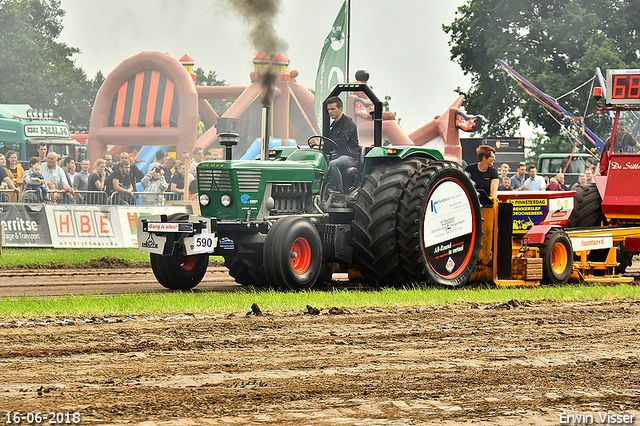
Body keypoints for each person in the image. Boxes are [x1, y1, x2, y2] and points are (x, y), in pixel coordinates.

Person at [309, 96, 360, 198]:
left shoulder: (348, 124)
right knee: (317, 163)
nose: (330, 112)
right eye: (328, 109)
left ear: (340, 109)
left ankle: (339, 193)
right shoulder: (333, 126)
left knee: (333, 164)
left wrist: (321, 143)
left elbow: (340, 141)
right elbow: (329, 144)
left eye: (333, 109)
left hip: (350, 157)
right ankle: (318, 192)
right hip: (336, 155)